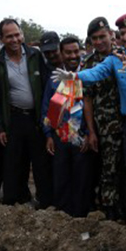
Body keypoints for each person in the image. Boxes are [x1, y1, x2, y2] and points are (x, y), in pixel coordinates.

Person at [54, 13, 126, 231]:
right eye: (123, 33)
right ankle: (124, 217)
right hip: (118, 126)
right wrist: (74, 77)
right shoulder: (109, 60)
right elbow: (92, 79)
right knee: (121, 173)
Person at [0, 18, 52, 207]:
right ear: (1, 39)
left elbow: (46, 85)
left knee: (40, 162)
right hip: (13, 118)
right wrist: (0, 128)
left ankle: (46, 201)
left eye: (17, 34)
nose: (14, 39)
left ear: (22, 34)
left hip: (36, 118)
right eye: (9, 36)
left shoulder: (35, 55)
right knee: (14, 163)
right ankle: (15, 201)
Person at [40, 36, 97, 217]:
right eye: (68, 52)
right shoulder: (55, 78)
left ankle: (81, 216)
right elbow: (47, 108)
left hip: (81, 135)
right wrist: (48, 135)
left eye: (75, 51)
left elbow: (92, 108)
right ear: (61, 54)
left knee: (82, 179)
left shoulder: (87, 74)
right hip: (60, 135)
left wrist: (89, 133)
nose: (73, 56)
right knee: (61, 177)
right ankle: (63, 217)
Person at [82, 16, 125, 221]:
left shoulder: (124, 56)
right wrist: (91, 131)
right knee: (109, 170)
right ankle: (110, 211)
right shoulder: (89, 64)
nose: (98, 42)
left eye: (102, 36)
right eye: (94, 39)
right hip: (105, 126)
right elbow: (87, 99)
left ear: (111, 34)